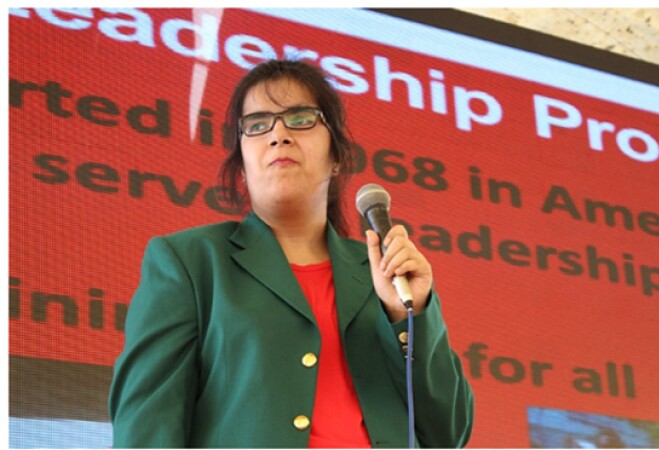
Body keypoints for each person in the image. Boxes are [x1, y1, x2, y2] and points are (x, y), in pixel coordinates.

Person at [108, 59, 474, 448]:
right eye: (257, 124)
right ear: (243, 168)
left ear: (336, 158)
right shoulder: (191, 262)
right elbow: (145, 428)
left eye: (300, 118)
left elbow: (448, 432)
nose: (278, 134)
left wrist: (408, 315)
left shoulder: (383, 271)